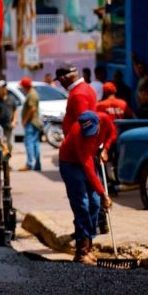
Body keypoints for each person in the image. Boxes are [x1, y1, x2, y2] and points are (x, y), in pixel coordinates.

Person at [58, 111, 112, 265]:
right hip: (70, 164)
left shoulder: (105, 120)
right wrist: (104, 194)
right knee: (82, 204)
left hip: (88, 160)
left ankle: (89, 246)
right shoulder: (79, 136)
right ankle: (81, 252)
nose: (89, 135)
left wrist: (105, 148)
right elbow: (88, 169)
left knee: (94, 203)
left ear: (99, 123)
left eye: (92, 131)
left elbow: (112, 133)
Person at [57, 65, 96, 135]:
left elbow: (84, 123)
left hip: (77, 141)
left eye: (60, 80)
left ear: (63, 79)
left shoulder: (78, 93)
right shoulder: (85, 87)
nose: (61, 84)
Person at [19, 77, 42, 172]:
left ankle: (29, 164)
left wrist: (25, 120)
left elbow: (32, 109)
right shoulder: (32, 93)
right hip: (35, 122)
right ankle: (37, 164)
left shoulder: (32, 94)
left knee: (29, 143)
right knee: (35, 143)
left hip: (31, 122)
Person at [0, 82, 19, 154]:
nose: (3, 89)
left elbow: (15, 110)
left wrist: (14, 121)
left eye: (4, 87)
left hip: (9, 125)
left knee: (10, 144)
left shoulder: (11, 99)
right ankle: (2, 159)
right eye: (2, 88)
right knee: (0, 144)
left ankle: (7, 159)